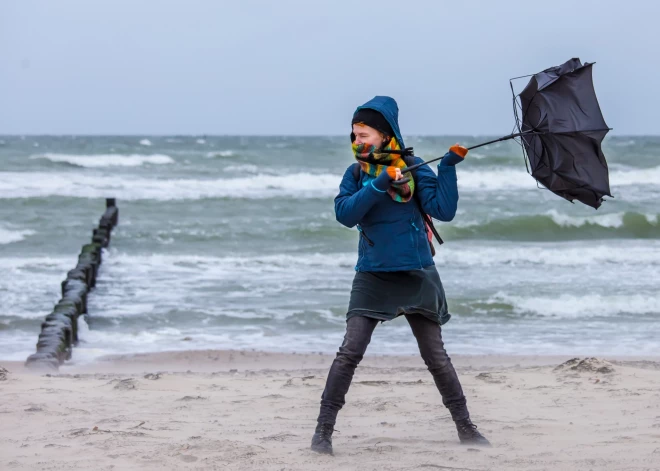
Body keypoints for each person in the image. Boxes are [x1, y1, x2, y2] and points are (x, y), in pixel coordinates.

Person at [310, 96, 490, 455]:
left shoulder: (413, 165)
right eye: (354, 134)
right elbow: (345, 214)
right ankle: (323, 433)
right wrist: (378, 184)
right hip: (373, 275)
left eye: (364, 134)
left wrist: (450, 167)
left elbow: (444, 210)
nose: (357, 141)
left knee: (436, 357)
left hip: (417, 273)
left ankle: (466, 428)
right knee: (349, 353)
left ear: (384, 134)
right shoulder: (358, 173)